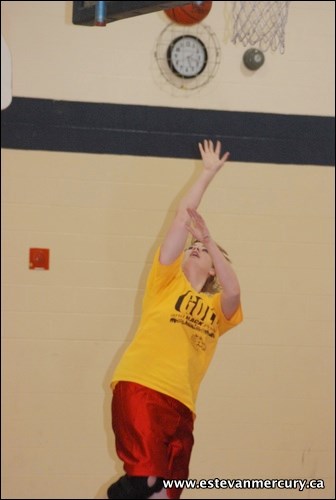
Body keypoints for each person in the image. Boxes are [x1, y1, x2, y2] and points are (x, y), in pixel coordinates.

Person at [107, 139, 243, 500]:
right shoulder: (165, 282)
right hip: (142, 387)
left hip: (182, 406)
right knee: (145, 481)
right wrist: (206, 175)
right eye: (191, 247)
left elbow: (233, 291)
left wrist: (210, 241)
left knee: (165, 494)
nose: (193, 248)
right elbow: (183, 219)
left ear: (212, 266)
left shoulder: (217, 310)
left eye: (200, 251)